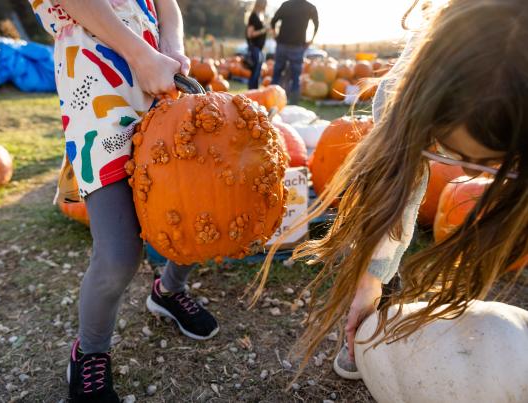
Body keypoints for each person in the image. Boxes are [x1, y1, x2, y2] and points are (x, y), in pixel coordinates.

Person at [254, 0, 526, 381]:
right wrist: (372, 278)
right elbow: (400, 192)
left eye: (491, 163)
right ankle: (383, 306)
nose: (466, 172)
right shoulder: (399, 94)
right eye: (455, 152)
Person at [28, 1, 219, 401]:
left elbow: (168, 7)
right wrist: (140, 55)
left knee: (199, 209)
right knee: (118, 253)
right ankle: (90, 351)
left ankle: (168, 291)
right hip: (97, 87)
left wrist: (171, 47)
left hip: (158, 81)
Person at [270, 0, 319, 104]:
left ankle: (271, 100)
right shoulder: (310, 7)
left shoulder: (286, 4)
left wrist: (275, 36)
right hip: (297, 46)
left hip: (282, 44)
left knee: (276, 74)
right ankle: (293, 104)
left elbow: (273, 21)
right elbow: (316, 25)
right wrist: (311, 40)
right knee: (295, 77)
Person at [246, 0, 268, 89]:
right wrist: (263, 31)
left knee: (258, 71)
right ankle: (251, 90)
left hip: (259, 48)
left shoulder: (260, 16)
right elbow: (250, 34)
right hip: (254, 47)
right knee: (255, 70)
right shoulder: (253, 16)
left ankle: (255, 89)